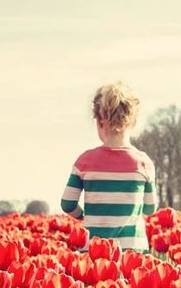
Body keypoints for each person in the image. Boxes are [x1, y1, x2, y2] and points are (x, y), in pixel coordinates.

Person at [60, 81, 157, 252]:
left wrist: (84, 216)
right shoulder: (143, 163)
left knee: (98, 278)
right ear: (134, 122)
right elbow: (150, 207)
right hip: (133, 249)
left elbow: (67, 203)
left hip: (95, 250)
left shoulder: (85, 161)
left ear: (99, 121)